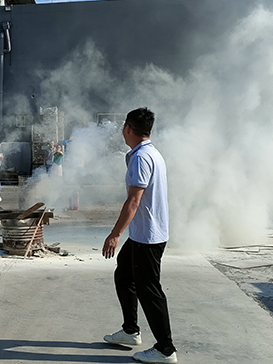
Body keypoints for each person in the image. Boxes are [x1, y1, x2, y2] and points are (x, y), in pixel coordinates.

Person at [102, 108, 177, 363]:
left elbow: (133, 202)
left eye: (124, 127)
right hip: (142, 234)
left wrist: (115, 234)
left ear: (128, 129)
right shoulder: (149, 153)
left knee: (149, 290)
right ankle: (130, 331)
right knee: (124, 275)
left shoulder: (141, 158)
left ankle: (166, 349)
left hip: (148, 237)